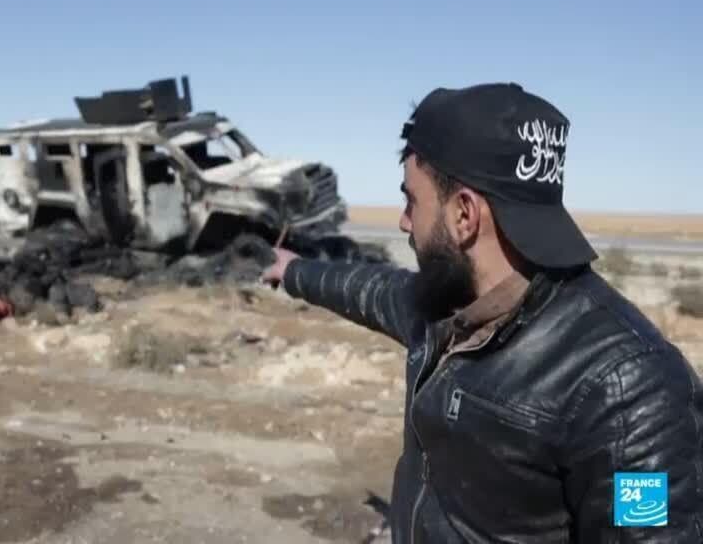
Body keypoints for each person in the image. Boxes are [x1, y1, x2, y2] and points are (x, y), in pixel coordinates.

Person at [261, 83, 703, 542]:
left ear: (464, 215)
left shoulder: (630, 390)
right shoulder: (444, 310)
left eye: (412, 200)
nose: (403, 221)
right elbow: (371, 289)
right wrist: (292, 271)